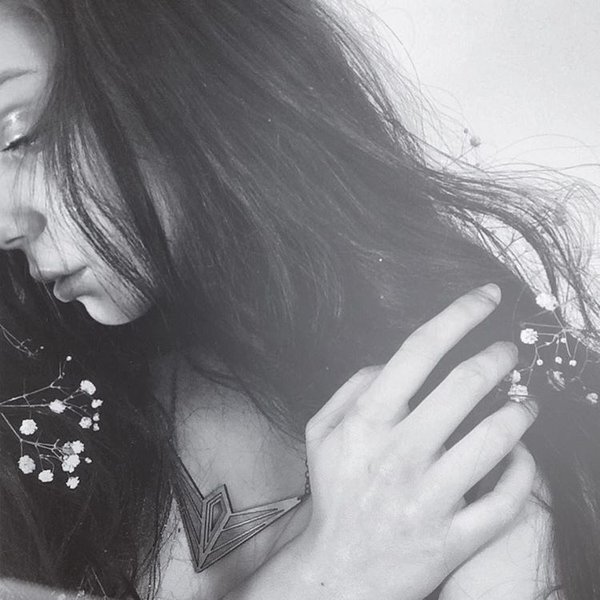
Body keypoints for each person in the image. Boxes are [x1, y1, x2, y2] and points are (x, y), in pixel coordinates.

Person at [0, 1, 599, 599]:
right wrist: (328, 576)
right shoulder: (35, 432)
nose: (5, 225)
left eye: (16, 136)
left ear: (169, 66)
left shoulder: (482, 433)